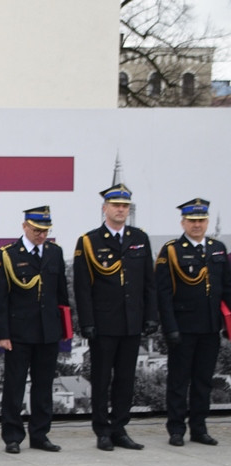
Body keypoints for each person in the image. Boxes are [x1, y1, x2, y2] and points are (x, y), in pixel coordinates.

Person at [73, 183, 158, 451]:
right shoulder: (89, 241)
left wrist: (150, 316)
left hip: (132, 321)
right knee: (101, 378)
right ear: (104, 208)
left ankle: (120, 427)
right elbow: (82, 286)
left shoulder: (139, 238)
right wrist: (86, 321)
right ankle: (102, 430)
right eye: (116, 205)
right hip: (103, 323)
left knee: (126, 378)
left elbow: (148, 282)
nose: (120, 210)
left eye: (124, 206)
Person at [0, 206, 70, 454]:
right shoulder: (8, 254)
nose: (41, 235)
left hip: (48, 331)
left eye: (45, 231)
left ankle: (40, 434)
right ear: (25, 226)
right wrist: (2, 334)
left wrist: (64, 327)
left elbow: (61, 294)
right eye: (37, 230)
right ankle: (12, 436)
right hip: (19, 332)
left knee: (44, 385)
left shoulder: (54, 252)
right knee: (14, 385)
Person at [155, 198, 231, 447]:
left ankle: (199, 428)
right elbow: (163, 294)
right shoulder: (172, 250)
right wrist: (170, 328)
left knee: (203, 381)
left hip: (210, 326)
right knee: (179, 381)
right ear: (183, 222)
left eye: (201, 220)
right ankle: (176, 429)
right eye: (192, 221)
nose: (197, 225)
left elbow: (227, 289)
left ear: (207, 222)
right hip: (183, 327)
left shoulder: (217, 248)